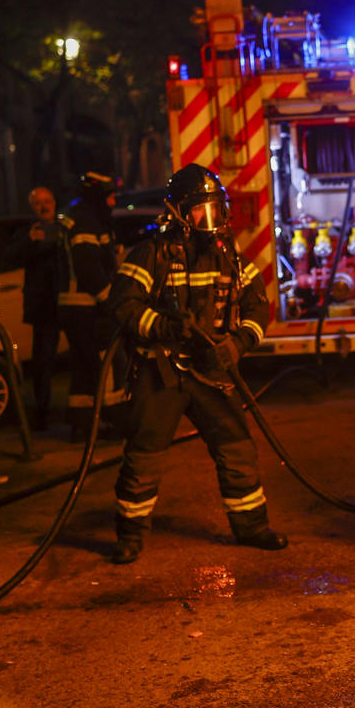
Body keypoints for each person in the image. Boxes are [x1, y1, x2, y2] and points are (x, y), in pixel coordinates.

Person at [105, 164, 286, 564]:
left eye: (216, 211)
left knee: (237, 446)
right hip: (162, 371)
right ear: (177, 214)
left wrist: (238, 344)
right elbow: (122, 304)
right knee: (144, 452)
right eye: (200, 212)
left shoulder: (229, 254)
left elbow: (259, 305)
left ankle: (253, 528)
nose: (211, 221)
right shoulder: (150, 253)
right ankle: (130, 535)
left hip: (211, 372)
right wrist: (163, 326)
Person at [3, 186, 68, 429]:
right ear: (32, 207)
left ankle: (81, 412)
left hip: (69, 301)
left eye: (48, 201)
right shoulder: (28, 233)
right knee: (43, 363)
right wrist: (30, 242)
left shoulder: (65, 229)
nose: (44, 206)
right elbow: (10, 257)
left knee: (81, 358)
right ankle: (42, 413)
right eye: (38, 202)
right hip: (44, 307)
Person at [59, 172, 121, 421]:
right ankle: (111, 417)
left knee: (83, 367)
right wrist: (110, 300)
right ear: (98, 196)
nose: (114, 202)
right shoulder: (86, 222)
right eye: (110, 196)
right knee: (105, 363)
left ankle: (82, 420)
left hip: (75, 308)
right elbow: (89, 270)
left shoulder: (82, 217)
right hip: (86, 307)